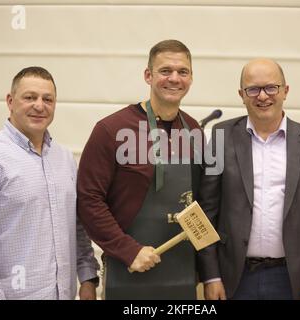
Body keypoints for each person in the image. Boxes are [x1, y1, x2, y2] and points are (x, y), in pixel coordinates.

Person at [197, 58, 300, 300]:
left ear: (285, 91)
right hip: (234, 279)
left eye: (271, 87)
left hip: (293, 280)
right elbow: (206, 213)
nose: (262, 96)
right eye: (252, 89)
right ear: (241, 95)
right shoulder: (221, 137)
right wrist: (210, 277)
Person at [0, 66, 99, 300]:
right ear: (10, 101)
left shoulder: (64, 158)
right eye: (30, 97)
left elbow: (77, 227)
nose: (39, 106)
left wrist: (88, 278)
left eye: (47, 99)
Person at [77, 40, 203, 299]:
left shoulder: (194, 131)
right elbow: (89, 199)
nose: (174, 78)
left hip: (183, 272)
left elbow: (201, 201)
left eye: (183, 72)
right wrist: (127, 250)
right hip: (128, 269)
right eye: (165, 71)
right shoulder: (110, 130)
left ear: (191, 78)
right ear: (148, 75)